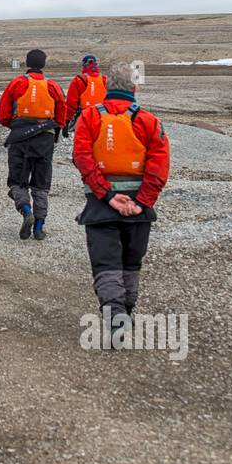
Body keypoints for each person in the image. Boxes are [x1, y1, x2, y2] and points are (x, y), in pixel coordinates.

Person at [71, 60, 170, 340]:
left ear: (105, 87)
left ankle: (115, 314)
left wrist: (107, 195)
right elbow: (159, 164)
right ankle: (125, 309)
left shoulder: (90, 118)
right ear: (134, 88)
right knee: (131, 262)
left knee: (106, 262)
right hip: (139, 210)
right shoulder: (149, 121)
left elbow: (82, 158)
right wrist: (142, 201)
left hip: (101, 207)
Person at [0, 49, 66, 240]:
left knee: (17, 181)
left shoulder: (17, 83)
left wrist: (16, 125)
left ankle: (26, 210)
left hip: (19, 137)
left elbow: (3, 115)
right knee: (41, 184)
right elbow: (62, 115)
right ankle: (38, 226)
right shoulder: (53, 86)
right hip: (45, 140)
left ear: (26, 63)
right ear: (44, 64)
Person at [63, 55, 107, 136]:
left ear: (84, 65)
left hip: (84, 118)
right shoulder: (105, 79)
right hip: (103, 118)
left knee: (83, 144)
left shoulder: (78, 80)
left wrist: (66, 123)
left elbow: (71, 104)